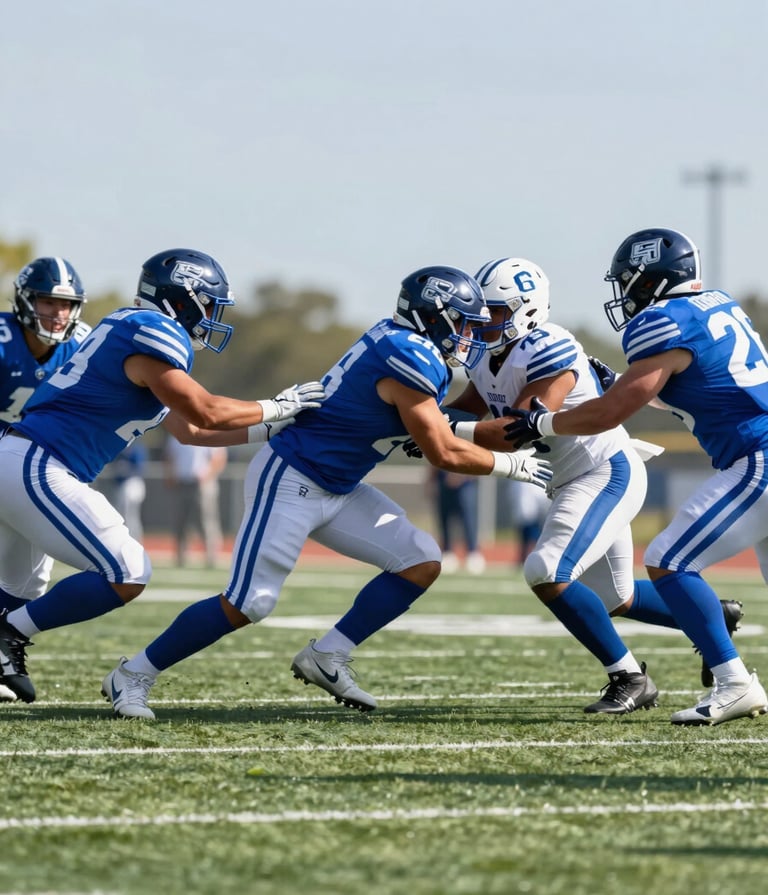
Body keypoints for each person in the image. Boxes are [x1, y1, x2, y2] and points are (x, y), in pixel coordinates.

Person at [99, 265, 553, 719]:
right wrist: (512, 463)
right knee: (248, 602)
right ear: (433, 316)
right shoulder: (409, 354)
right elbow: (443, 452)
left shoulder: (404, 343)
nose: (470, 333)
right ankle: (133, 674)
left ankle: (327, 655)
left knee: (420, 560)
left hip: (340, 485)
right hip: (294, 476)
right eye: (462, 321)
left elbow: (430, 426)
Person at [0, 247, 325, 704]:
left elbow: (190, 431)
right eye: (209, 305)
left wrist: (274, 428)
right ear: (183, 299)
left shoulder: (130, 331)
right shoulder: (150, 329)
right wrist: (278, 404)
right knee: (128, 570)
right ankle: (6, 635)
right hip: (39, 462)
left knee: (19, 588)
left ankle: (6, 636)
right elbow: (206, 410)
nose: (212, 317)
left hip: (26, 462)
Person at [503, 228, 768, 726]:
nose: (625, 295)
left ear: (652, 279)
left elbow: (611, 413)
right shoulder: (716, 304)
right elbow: (697, 385)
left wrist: (543, 421)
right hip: (755, 449)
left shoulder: (662, 321)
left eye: (629, 282)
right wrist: (620, 382)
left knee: (669, 558)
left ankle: (734, 684)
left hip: (758, 456)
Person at [0, 257, 92, 702]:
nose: (57, 313)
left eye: (66, 304)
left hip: (36, 466)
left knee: (30, 582)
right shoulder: (2, 339)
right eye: (47, 301)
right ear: (25, 300)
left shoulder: (85, 343)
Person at [164, 436, 227, 567]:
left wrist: (207, 474)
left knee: (206, 520)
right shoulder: (176, 435)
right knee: (180, 521)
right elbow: (169, 457)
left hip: (203, 484)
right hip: (181, 483)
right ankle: (180, 557)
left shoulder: (209, 433)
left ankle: (211, 558)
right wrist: (170, 475)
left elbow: (219, 458)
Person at [428, 468, 485, 574]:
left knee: (469, 520)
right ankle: (447, 552)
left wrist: (458, 476)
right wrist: (431, 480)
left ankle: (472, 553)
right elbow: (434, 459)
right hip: (444, 481)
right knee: (444, 519)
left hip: (466, 483)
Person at [108, 442, 149, 542]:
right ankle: (125, 540)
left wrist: (125, 470)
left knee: (130, 515)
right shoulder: (119, 450)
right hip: (121, 486)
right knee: (122, 514)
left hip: (133, 483)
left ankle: (134, 540)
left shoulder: (136, 449)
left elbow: (139, 468)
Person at [506, 478, 549, 567]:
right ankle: (524, 556)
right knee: (524, 533)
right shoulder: (518, 483)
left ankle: (535, 556)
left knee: (535, 536)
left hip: (534, 514)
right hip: (523, 513)